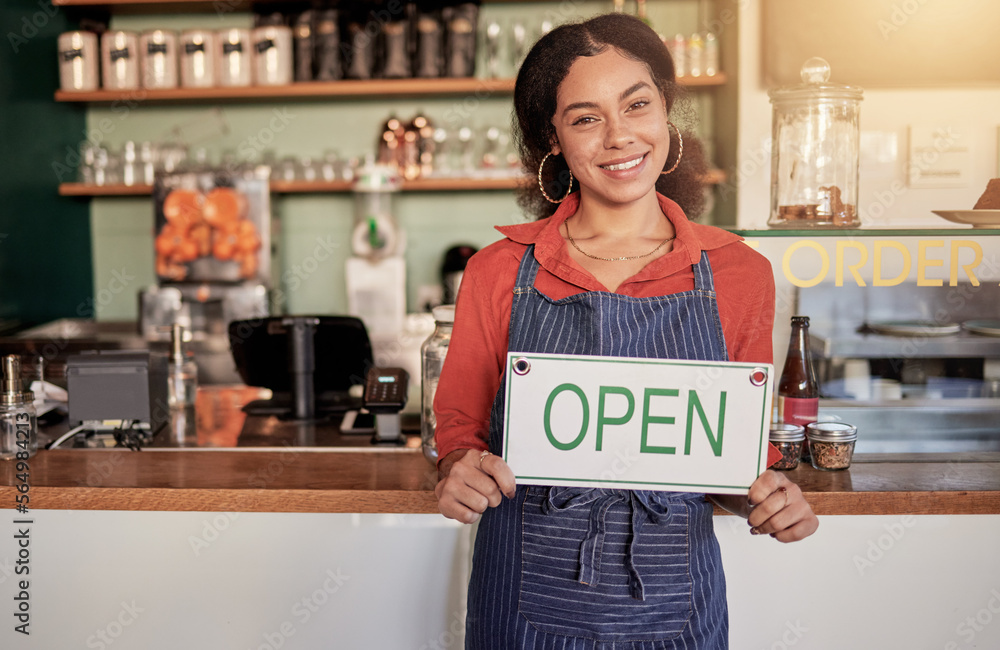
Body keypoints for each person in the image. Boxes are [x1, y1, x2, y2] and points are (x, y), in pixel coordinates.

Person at [433, 13, 819, 649]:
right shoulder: (497, 270)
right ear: (551, 139)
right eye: (585, 117)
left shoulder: (738, 273)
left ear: (666, 111)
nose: (619, 136)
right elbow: (459, 435)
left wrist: (767, 499)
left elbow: (730, 462)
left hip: (677, 607)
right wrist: (458, 471)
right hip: (521, 603)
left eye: (636, 104)